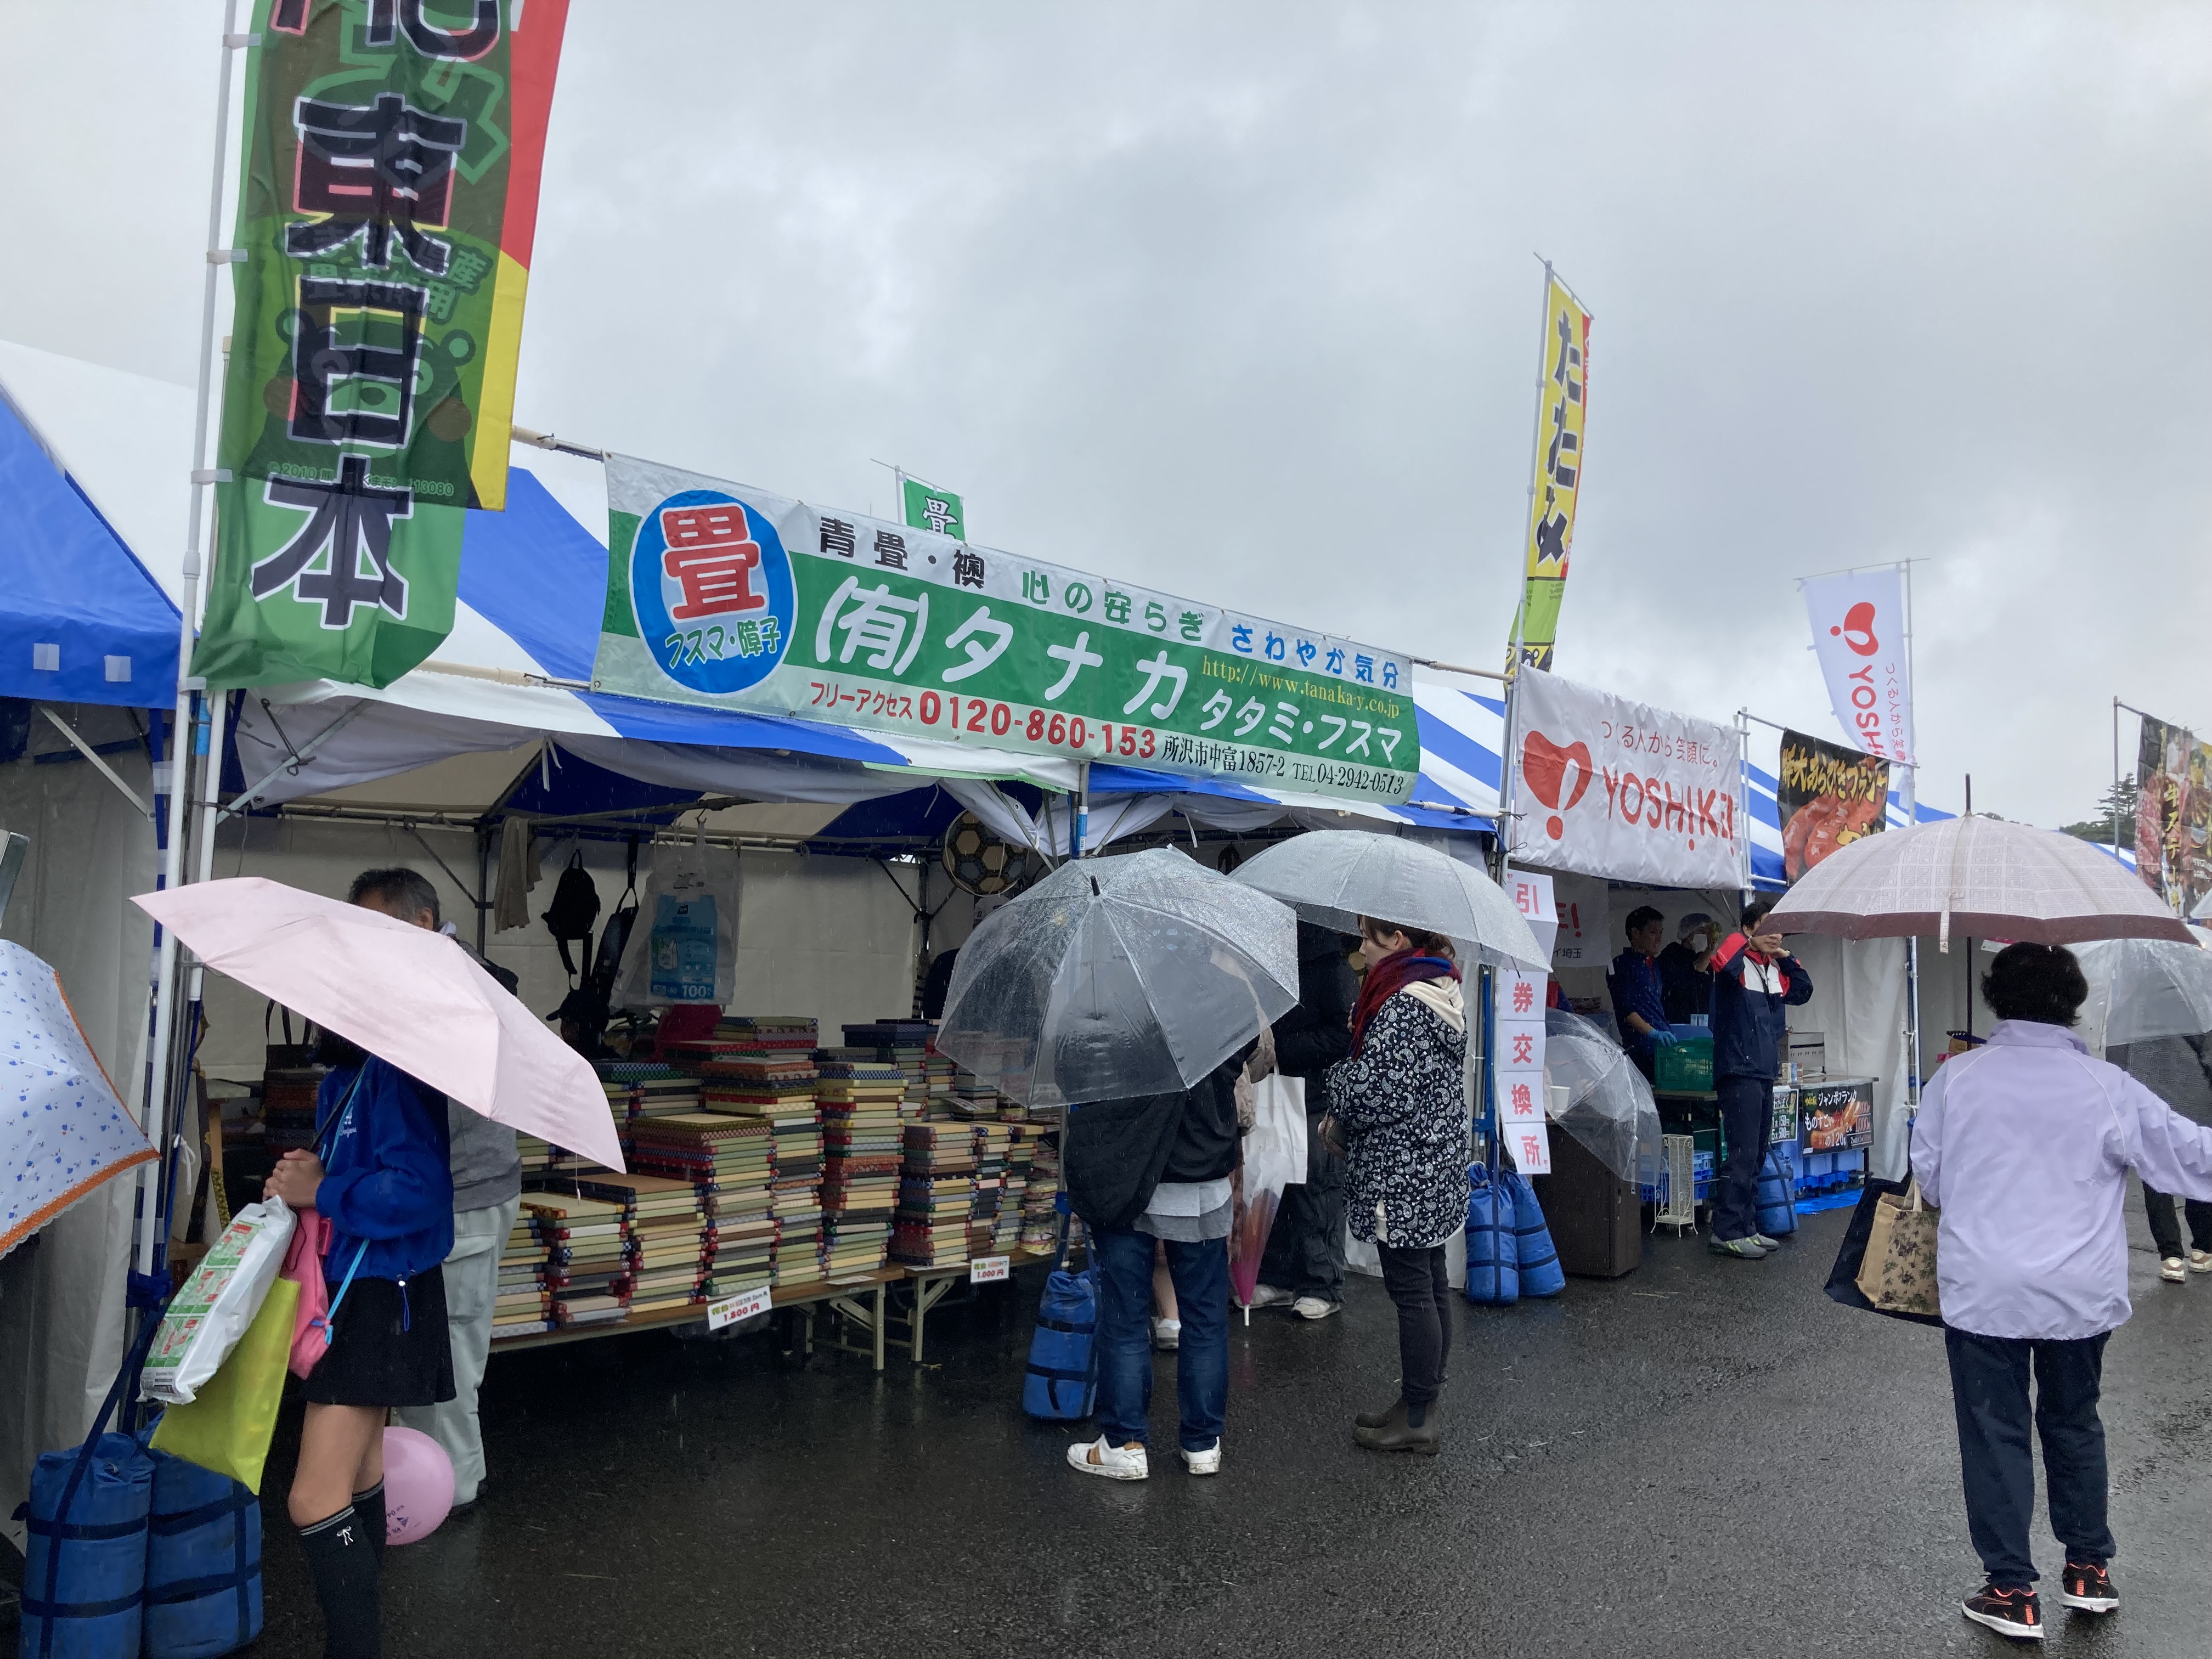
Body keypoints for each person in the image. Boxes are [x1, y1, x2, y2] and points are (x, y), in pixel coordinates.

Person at [1912, 943, 2212, 1641]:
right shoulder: (2107, 1086)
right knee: (2075, 1423)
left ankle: (2011, 1590)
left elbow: (1929, 1181)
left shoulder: (1956, 1081)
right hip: (2079, 1293)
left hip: (1984, 1288)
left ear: (1996, 999)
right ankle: (2088, 1570)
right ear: (2074, 1002)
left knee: (1995, 1433)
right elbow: (2188, 1156)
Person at [266, 876, 456, 1659]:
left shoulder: (407, 1063)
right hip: (360, 1295)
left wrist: (327, 1188)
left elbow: (421, 1194)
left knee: (313, 1497)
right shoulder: (354, 1070)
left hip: (381, 1299)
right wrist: (318, 1170)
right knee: (357, 1478)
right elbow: (364, 1174)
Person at [343, 867, 524, 1516]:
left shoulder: (465, 988)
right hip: (438, 1195)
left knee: (448, 1353)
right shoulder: (423, 982)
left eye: (377, 925)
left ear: (421, 922)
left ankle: (453, 1493)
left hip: (464, 1197)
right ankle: (418, 1487)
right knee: (421, 1348)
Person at [1324, 917, 1469, 1454]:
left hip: (1402, 1169)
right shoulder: (1441, 987)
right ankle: (1419, 1403)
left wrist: (1337, 1074)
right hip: (1431, 1162)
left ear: (1399, 942)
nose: (1361, 947)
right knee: (1428, 1283)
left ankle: (1417, 1414)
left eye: (1370, 937)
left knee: (1414, 1290)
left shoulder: (1404, 1004)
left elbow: (1372, 1094)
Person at [1062, 1053, 1245, 1480]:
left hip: (1127, 1173)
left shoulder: (1113, 1002)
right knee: (1205, 1319)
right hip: (1203, 1174)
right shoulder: (1218, 1000)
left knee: (1125, 1318)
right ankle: (1202, 1444)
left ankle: (1124, 1443)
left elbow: (1074, 1069)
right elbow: (1244, 1053)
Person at [1249, 922, 1361, 1320]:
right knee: (1275, 1183)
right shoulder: (1273, 969)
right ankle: (1278, 1276)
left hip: (1318, 1096)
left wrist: (1286, 1049)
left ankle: (1323, 1284)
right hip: (1278, 1090)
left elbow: (1345, 1037)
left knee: (1319, 1190)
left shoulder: (1333, 971)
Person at [1706, 897, 1812, 1260]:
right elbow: (1722, 958)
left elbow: (1803, 990)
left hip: (1764, 1071)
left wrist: (1784, 954)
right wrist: (1747, 940)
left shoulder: (1771, 969)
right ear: (1750, 927)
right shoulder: (1736, 961)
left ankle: (1747, 1226)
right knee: (1742, 1152)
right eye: (1768, 927)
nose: (1775, 935)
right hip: (1738, 1070)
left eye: (1779, 928)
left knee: (1757, 1155)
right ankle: (1727, 1230)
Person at [2108, 1032, 2212, 1283]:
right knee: (2198, 1166)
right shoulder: (2192, 1009)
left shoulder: (2127, 1017)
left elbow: (2116, 1061)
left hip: (2147, 1104)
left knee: (2155, 1176)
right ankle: (2203, 1249)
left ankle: (2171, 1257)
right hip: (2194, 1100)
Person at [1608, 905, 1677, 1082]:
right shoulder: (1621, 965)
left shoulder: (1654, 964)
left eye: (1660, 933)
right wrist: (1652, 1033)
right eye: (1653, 932)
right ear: (1635, 933)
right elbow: (1627, 1011)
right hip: (1641, 1048)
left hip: (1662, 1048)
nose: (1658, 938)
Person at [1656, 912, 1717, 1026]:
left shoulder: (1701, 956)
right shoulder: (1672, 954)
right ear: (1689, 934)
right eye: (1702, 932)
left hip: (1701, 1024)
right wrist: (1709, 950)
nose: (1707, 937)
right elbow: (1694, 974)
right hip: (1676, 1023)